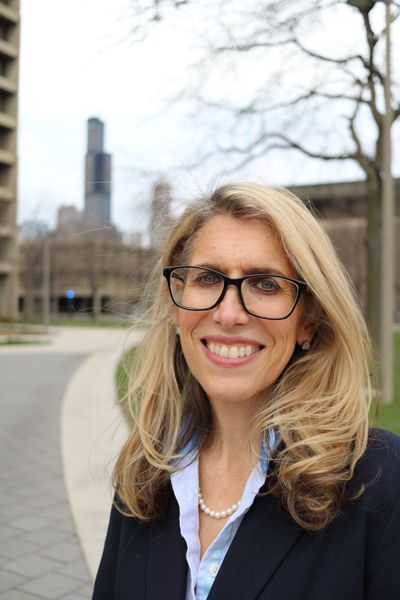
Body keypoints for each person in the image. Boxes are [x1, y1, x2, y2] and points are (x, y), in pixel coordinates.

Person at [92, 182, 400, 600]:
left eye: (266, 284)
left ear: (309, 319)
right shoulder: (145, 471)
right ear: (175, 304)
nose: (228, 313)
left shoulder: (382, 481)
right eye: (206, 278)